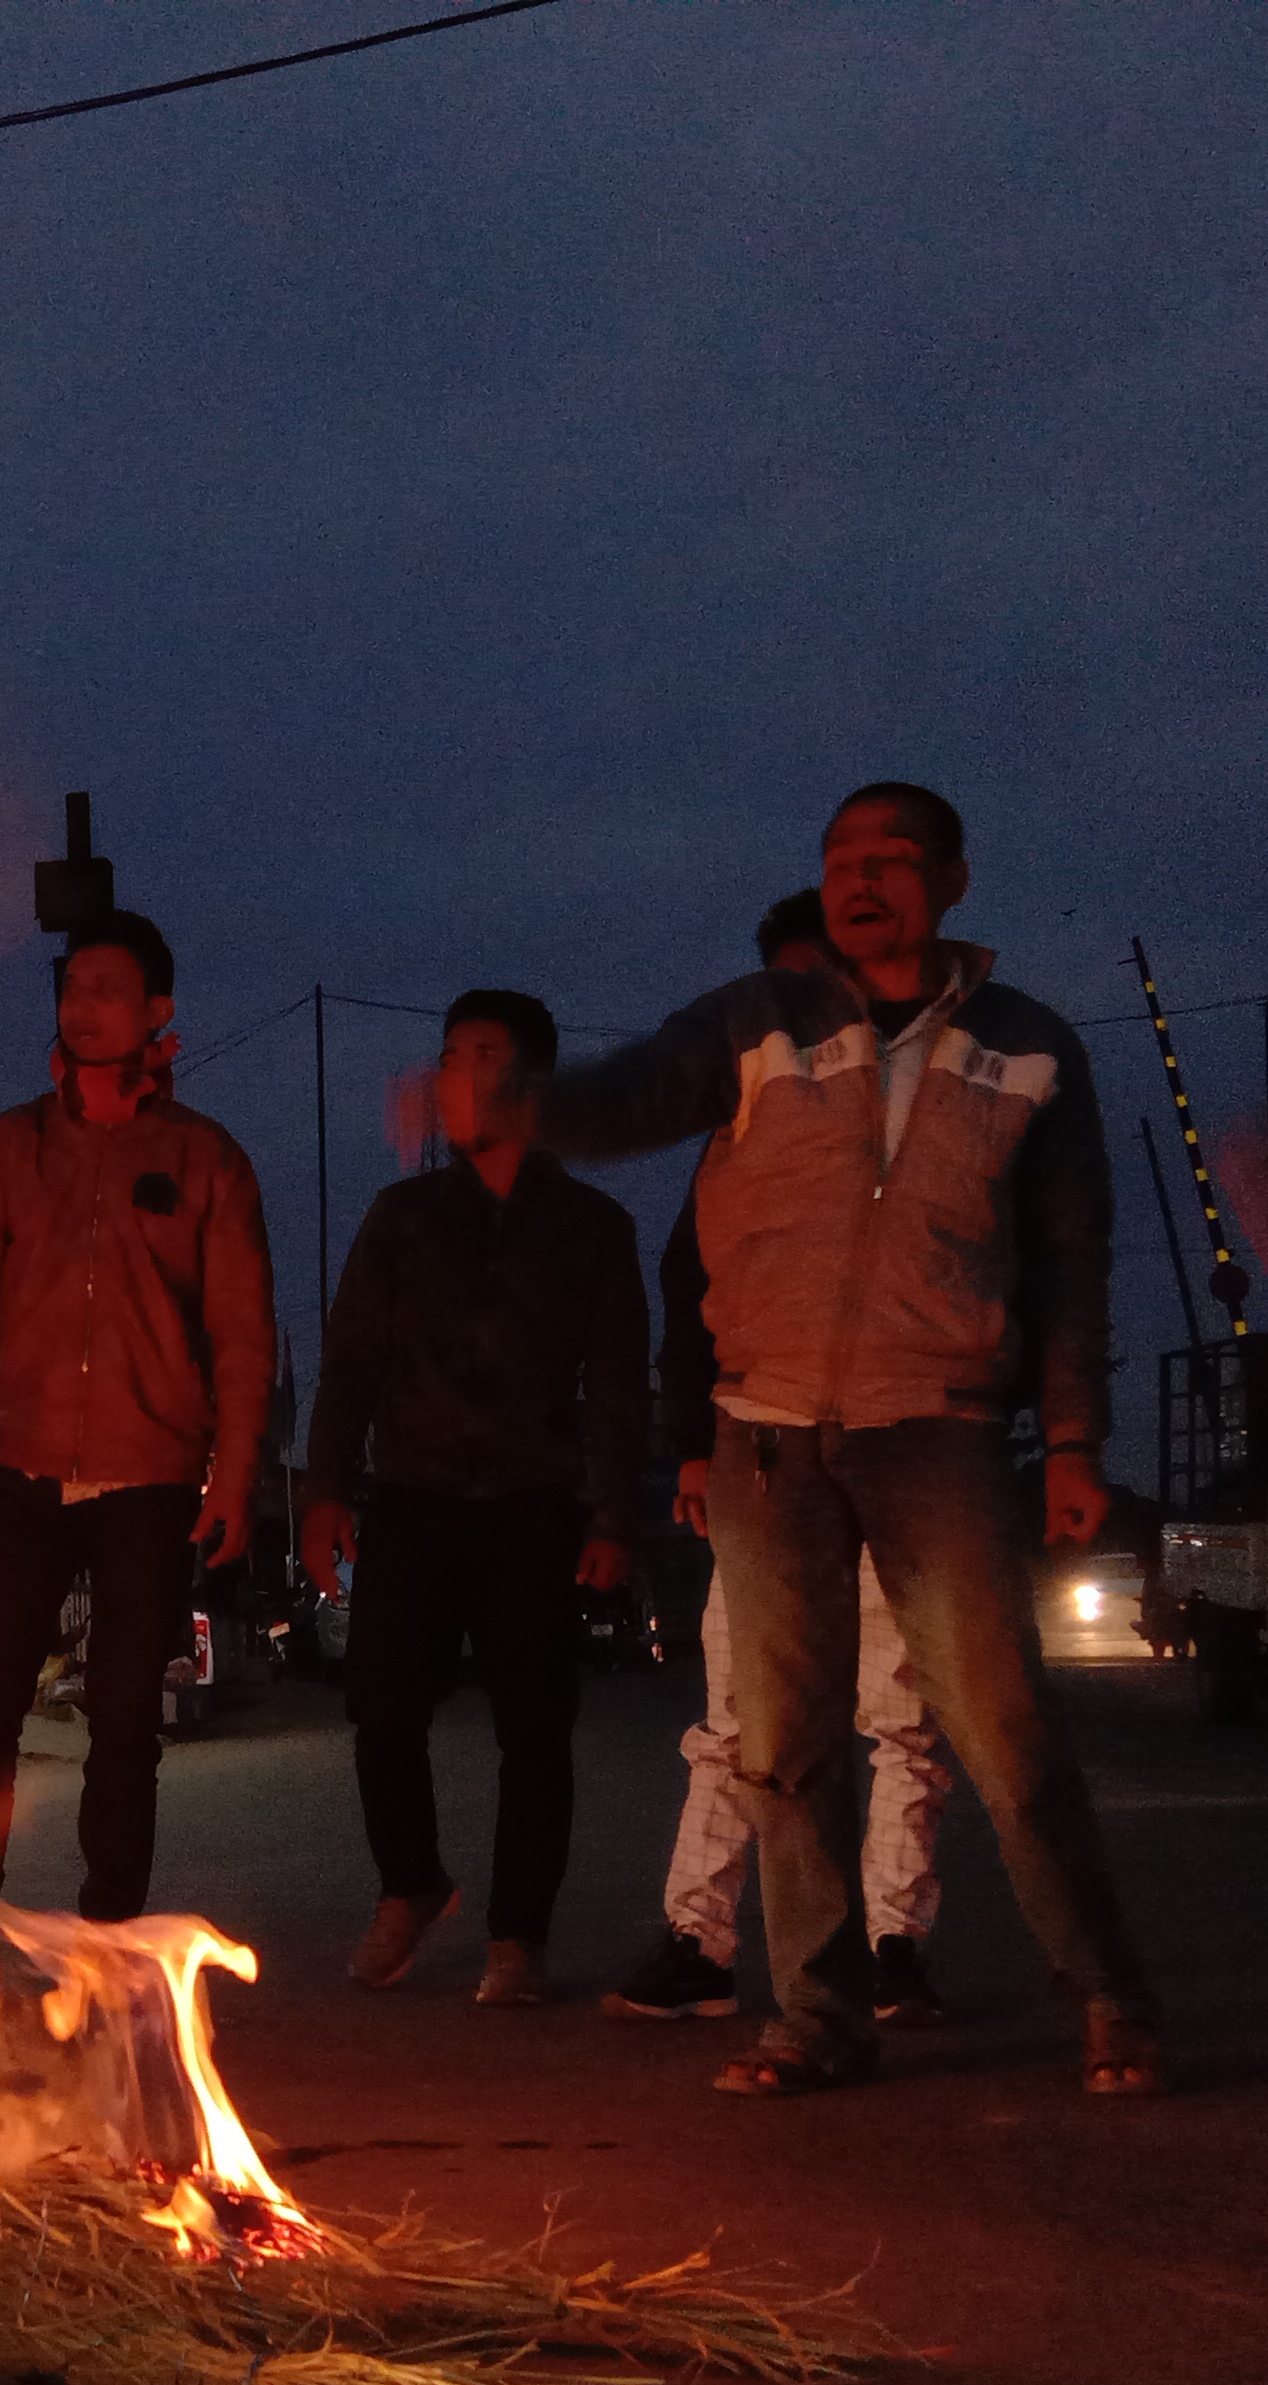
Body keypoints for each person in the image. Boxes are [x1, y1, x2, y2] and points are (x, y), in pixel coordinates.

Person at [549, 786, 1162, 2094]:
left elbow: (1069, 1256)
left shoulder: (1030, 1048)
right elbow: (630, 1093)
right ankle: (818, 2021)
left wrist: (1070, 1440)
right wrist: (514, 1100)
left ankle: (1111, 1996)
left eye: (891, 859)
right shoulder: (759, 1025)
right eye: (839, 859)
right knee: (782, 1748)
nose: (860, 879)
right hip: (768, 1431)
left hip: (935, 1430)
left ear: (951, 879)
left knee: (1002, 1732)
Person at [0, 910, 276, 1988]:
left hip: (152, 1474)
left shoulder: (203, 1160)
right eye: (73, 987)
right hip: (26, 1467)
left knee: (121, 1722)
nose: (84, 1005)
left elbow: (243, 1333)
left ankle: (105, 1943)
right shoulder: (4, 1148)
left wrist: (233, 1465)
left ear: (157, 1012)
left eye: (110, 987)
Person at [608, 891, 960, 2026]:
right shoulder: (746, 1125)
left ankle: (892, 1943)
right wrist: (692, 1450)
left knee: (898, 1716)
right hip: (761, 1454)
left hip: (903, 1458)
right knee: (732, 1720)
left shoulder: (930, 1111)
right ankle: (698, 1942)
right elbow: (686, 1294)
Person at [300, 991, 648, 2008]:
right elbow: (351, 1362)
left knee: (534, 1728)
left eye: (483, 1054)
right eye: (447, 1055)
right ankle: (410, 1884)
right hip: (412, 1496)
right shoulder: (403, 1218)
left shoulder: (590, 1226)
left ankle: (517, 1935)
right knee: (379, 1707)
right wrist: (325, 1492)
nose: (455, 1074)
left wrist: (613, 1513)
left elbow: (619, 1381)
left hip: (533, 1505)